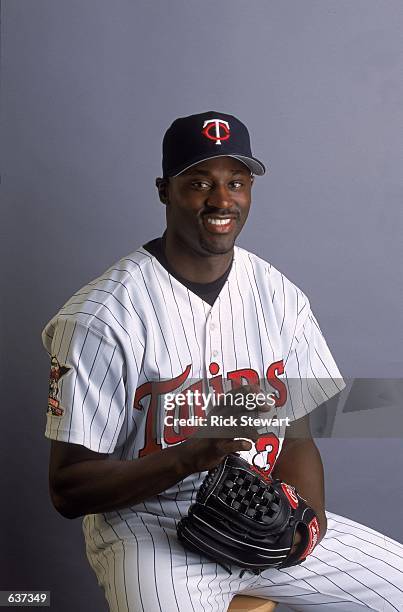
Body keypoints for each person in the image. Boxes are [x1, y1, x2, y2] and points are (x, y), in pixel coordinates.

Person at [42, 111, 403, 611]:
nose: (221, 199)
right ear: (164, 190)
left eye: (236, 182)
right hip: (148, 530)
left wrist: (304, 526)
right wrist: (189, 456)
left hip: (261, 510)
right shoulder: (103, 316)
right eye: (199, 182)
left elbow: (298, 434)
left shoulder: (280, 297)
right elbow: (68, 487)